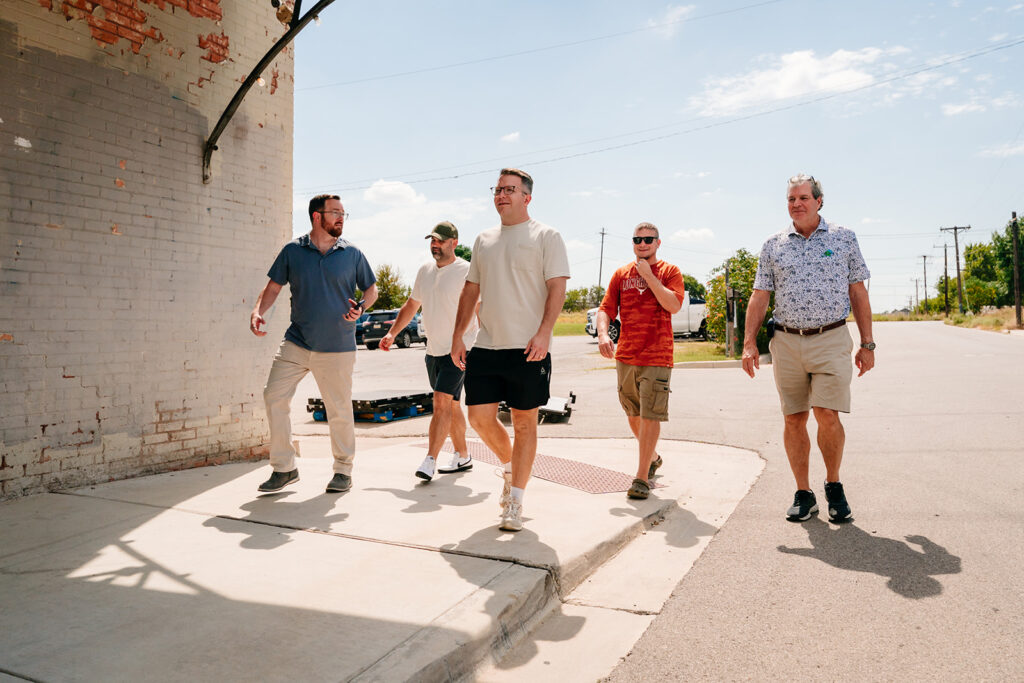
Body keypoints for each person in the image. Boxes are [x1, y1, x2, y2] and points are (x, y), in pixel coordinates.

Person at [742, 174, 875, 523]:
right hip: (786, 341)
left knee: (827, 414)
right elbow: (760, 295)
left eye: (803, 197)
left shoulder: (843, 238)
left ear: (819, 201)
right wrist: (748, 344)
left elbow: (858, 292)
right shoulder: (773, 245)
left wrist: (867, 343)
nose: (796, 204)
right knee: (793, 418)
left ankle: (833, 485)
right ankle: (804, 492)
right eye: (790, 199)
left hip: (830, 338)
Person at [450, 168, 570, 532]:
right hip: (487, 345)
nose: (502, 195)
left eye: (510, 190)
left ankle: (514, 500)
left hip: (528, 346)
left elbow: (557, 287)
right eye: (498, 189)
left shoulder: (546, 236)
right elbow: (471, 290)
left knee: (524, 422)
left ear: (527, 197)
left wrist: (544, 332)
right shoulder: (484, 239)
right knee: (479, 419)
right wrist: (458, 335)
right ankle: (511, 467)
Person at [250, 194, 378, 494]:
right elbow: (273, 286)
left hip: (337, 345)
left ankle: (343, 470)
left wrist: (361, 307)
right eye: (335, 212)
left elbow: (370, 290)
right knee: (274, 396)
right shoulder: (293, 251)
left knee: (338, 410)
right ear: (316, 216)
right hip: (297, 341)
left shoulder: (352, 254)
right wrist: (258, 311)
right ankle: (285, 468)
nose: (341, 218)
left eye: (344, 213)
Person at [379, 221, 478, 481]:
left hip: (459, 349)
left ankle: (430, 459)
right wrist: (392, 333)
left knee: (440, 401)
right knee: (452, 405)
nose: (435, 245)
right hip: (433, 350)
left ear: (453, 243)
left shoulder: (467, 271)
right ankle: (463, 455)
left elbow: (480, 309)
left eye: (440, 240)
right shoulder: (425, 270)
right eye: (432, 240)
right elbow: (412, 305)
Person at [597, 222, 685, 500]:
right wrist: (602, 334)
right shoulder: (621, 274)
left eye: (648, 239)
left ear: (658, 242)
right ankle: (654, 456)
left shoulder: (670, 272)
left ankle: (641, 478)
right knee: (633, 414)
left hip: (657, 355)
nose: (642, 243)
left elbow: (673, 305)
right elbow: (605, 309)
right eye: (638, 239)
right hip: (626, 355)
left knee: (650, 415)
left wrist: (649, 277)